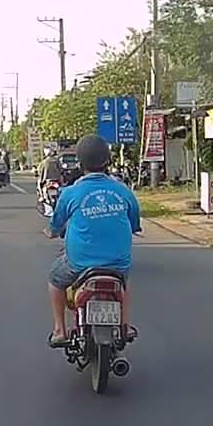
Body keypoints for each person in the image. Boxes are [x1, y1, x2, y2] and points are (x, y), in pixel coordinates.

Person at [43, 135, 141, 347]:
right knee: (124, 283)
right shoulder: (123, 191)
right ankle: (125, 325)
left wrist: (50, 232)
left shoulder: (70, 193)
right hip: (118, 263)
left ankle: (59, 330)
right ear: (108, 160)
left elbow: (55, 225)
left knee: (55, 280)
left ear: (80, 163)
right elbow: (135, 224)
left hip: (79, 263)